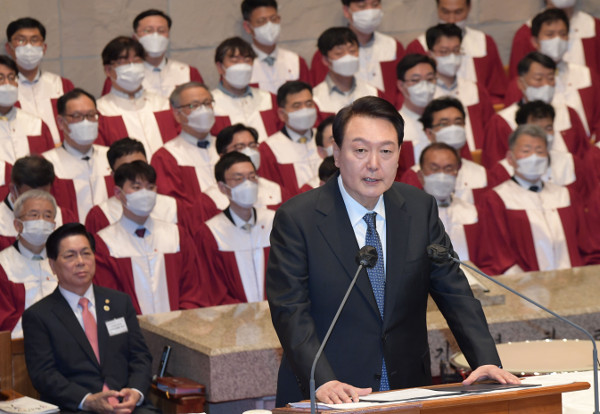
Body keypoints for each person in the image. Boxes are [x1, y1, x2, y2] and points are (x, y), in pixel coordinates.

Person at [266, 96, 519, 407]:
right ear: (337, 153)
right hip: (330, 391)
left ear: (399, 155)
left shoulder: (419, 208)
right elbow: (289, 310)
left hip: (406, 387)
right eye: (360, 150)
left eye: (386, 151)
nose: (374, 164)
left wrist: (485, 360)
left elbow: (454, 291)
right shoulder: (298, 218)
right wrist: (322, 379)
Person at [22, 222, 159, 414]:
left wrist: (135, 392)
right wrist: (86, 400)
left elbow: (140, 357)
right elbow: (44, 375)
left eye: (86, 253)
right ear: (52, 265)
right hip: (77, 408)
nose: (81, 261)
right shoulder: (39, 316)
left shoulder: (120, 303)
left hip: (128, 406)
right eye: (70, 255)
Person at [94, 161, 232, 314]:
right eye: (136, 187)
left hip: (179, 324)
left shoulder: (176, 236)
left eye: (150, 187)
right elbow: (108, 296)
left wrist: (180, 322)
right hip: (130, 326)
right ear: (118, 193)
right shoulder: (105, 243)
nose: (145, 194)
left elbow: (193, 288)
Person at [476, 124, 583, 275]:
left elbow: (585, 246)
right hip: (524, 285)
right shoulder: (496, 200)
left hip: (574, 281)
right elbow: (498, 255)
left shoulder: (566, 196)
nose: (534, 157)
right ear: (510, 158)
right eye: (526, 151)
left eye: (540, 151)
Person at [503, 9, 600, 140]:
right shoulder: (521, 84)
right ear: (535, 41)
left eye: (562, 34)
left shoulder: (586, 75)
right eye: (550, 34)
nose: (557, 40)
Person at [482, 52, 590, 168]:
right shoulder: (501, 122)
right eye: (538, 79)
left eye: (550, 78)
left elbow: (583, 159)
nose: (546, 85)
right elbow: (497, 168)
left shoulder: (568, 113)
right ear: (521, 83)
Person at [194, 152, 275, 303]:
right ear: (222, 187)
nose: (248, 184)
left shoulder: (275, 222)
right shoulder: (211, 233)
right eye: (238, 179)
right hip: (233, 315)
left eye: (252, 177)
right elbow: (212, 287)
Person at [85, 138, 202, 236]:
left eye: (140, 166)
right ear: (113, 175)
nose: (136, 174)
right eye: (126, 170)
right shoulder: (101, 215)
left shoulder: (173, 208)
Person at [405, 0, 506, 103]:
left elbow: (497, 92)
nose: (451, 20)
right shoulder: (419, 46)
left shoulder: (483, 42)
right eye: (445, 12)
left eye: (458, 12)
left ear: (469, 8)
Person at [310, 0, 405, 105]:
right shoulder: (326, 52)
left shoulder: (393, 46)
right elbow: (320, 94)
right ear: (346, 10)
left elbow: (403, 89)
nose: (370, 11)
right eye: (362, 6)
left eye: (375, 5)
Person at [96, 36, 179, 156]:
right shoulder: (101, 111)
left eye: (136, 60)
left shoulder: (163, 104)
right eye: (124, 62)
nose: (132, 67)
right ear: (108, 70)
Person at [487, 100, 584, 199]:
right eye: (536, 129)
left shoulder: (571, 163)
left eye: (548, 128)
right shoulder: (502, 171)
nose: (544, 134)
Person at [400, 97, 489, 205]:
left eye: (458, 122)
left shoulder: (481, 173)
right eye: (444, 124)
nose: (453, 129)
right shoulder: (415, 176)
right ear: (429, 133)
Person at [43, 88, 111, 222]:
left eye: (91, 115)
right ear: (61, 122)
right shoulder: (47, 164)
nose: (86, 122)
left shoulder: (111, 157)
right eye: (77, 116)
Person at [101, 9, 204, 98]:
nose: (155, 36)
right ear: (135, 37)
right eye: (148, 30)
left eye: (161, 30)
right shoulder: (121, 74)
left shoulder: (188, 72)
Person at [4, 17, 74, 144]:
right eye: (21, 40)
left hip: (62, 153)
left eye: (34, 40)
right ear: (9, 48)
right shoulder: (4, 88)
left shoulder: (62, 85)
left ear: (44, 48)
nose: (28, 46)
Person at [426, 24, 495, 151]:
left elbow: (491, 132)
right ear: (430, 54)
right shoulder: (424, 94)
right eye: (444, 52)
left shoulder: (475, 90)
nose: (452, 57)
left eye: (456, 50)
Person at [150, 82, 220, 205]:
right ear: (177, 114)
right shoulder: (166, 157)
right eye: (194, 105)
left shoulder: (229, 146)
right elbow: (172, 206)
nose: (203, 110)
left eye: (207, 103)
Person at [0, 190, 57, 338]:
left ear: (54, 225)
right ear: (17, 225)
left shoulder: (63, 262)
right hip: (20, 345)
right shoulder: (3, 265)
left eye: (48, 216)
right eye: (34, 215)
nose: (41, 221)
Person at [202, 123, 291, 212]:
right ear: (223, 156)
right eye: (240, 147)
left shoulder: (276, 192)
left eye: (252, 145)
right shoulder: (210, 200)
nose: (249, 152)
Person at [418, 143, 480, 263]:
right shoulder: (408, 215)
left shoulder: (473, 213)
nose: (442, 176)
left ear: (456, 174)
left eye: (448, 169)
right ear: (421, 176)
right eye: (434, 169)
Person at [210, 36, 281, 142]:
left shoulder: (269, 99)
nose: (242, 66)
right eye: (235, 61)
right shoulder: (209, 104)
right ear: (220, 67)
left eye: (247, 60)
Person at [0, 156, 77, 251]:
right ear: (13, 189)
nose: (37, 202)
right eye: (30, 196)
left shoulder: (65, 218)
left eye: (43, 195)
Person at [258, 81, 322, 195]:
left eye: (309, 104)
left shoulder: (328, 139)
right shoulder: (269, 149)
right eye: (297, 106)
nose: (305, 110)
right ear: (282, 114)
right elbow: (271, 193)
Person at [509, 0, 600, 79]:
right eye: (550, 34)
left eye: (563, 34)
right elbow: (518, 83)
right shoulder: (525, 34)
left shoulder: (595, 28)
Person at [241, 0, 311, 94]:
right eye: (261, 21)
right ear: (247, 27)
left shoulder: (296, 62)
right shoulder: (240, 65)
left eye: (274, 19)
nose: (269, 26)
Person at [312, 27, 384, 117]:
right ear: (326, 60)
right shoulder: (315, 99)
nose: (348, 57)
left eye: (352, 51)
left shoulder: (373, 93)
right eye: (339, 53)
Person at [0, 55, 54, 164]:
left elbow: (49, 165)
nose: (7, 84)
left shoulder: (37, 125)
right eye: (0, 78)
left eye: (11, 78)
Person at [395, 54, 437, 177]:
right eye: (415, 80)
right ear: (401, 85)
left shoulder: (446, 122)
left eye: (430, 79)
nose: (424, 86)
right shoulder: (393, 126)